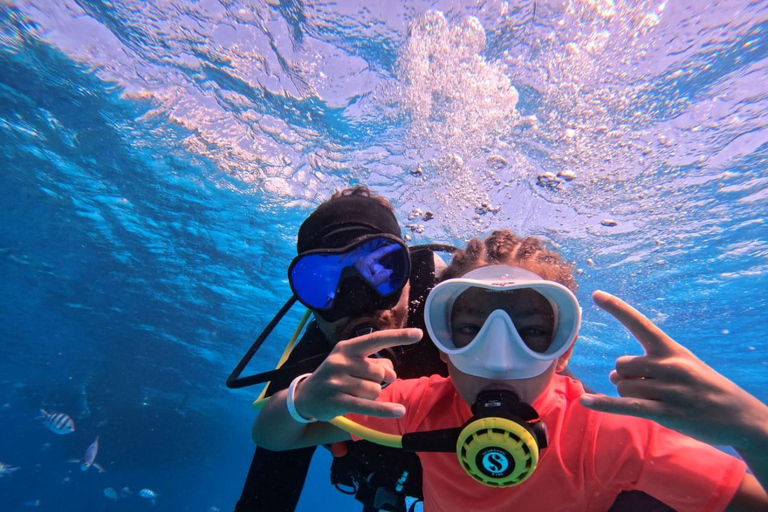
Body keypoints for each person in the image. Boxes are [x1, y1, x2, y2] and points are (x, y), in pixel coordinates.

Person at [252, 229, 768, 511]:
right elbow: (272, 436)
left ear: (563, 351)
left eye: (533, 331)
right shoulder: (420, 405)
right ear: (444, 346)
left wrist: (754, 428)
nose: (498, 357)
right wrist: (302, 398)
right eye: (470, 326)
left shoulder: (607, 432)